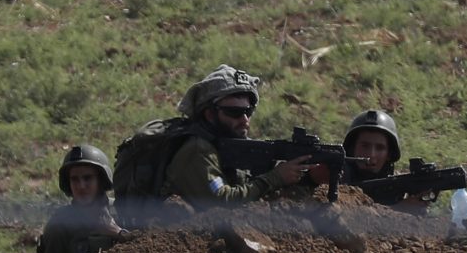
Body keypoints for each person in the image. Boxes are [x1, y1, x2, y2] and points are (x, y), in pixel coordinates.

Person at [114, 65, 316, 207]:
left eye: (248, 111)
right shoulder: (197, 149)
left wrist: (308, 177)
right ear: (210, 114)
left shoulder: (227, 144)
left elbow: (248, 183)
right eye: (234, 113)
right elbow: (222, 202)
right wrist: (275, 178)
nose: (245, 120)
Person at [25, 143, 123, 253]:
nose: (81, 186)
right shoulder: (61, 223)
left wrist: (117, 233)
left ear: (101, 180)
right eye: (75, 179)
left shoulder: (121, 212)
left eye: (87, 178)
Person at [338, 107, 439, 211]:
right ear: (352, 149)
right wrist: (399, 209)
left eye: (380, 148)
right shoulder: (335, 179)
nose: (371, 154)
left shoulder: (395, 186)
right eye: (365, 146)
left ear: (389, 154)